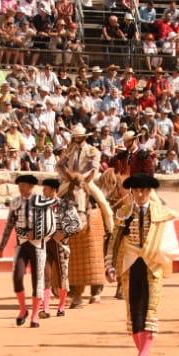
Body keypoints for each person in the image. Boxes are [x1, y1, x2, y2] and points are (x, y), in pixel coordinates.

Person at [106, 172, 177, 356]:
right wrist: (109, 265)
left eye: (144, 189)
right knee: (135, 313)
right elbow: (113, 242)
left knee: (150, 311)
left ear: (150, 191)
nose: (140, 193)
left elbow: (168, 242)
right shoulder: (123, 212)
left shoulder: (161, 213)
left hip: (153, 265)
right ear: (132, 191)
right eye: (136, 190)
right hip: (130, 266)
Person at [59, 125, 112, 308]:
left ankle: (110, 228)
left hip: (87, 183)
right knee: (53, 200)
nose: (76, 140)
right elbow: (59, 165)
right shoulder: (68, 150)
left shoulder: (92, 150)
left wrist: (83, 180)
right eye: (75, 137)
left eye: (79, 137)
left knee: (104, 204)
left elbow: (94, 169)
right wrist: (69, 176)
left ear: (84, 137)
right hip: (70, 182)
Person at [0, 173, 47, 327]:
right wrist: (2, 246)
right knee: (17, 277)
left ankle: (34, 316)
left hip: (38, 245)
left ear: (30, 186)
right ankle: (23, 309)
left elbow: (49, 225)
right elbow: (9, 225)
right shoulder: (15, 202)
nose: (20, 188)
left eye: (23, 185)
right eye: (19, 185)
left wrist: (38, 233)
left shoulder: (41, 202)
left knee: (37, 280)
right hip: (22, 245)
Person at [38, 177, 83, 319]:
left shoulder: (66, 205)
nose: (43, 191)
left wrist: (64, 233)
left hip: (61, 245)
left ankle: (61, 307)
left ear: (53, 190)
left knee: (63, 275)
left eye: (45, 188)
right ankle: (45, 308)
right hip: (45, 243)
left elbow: (78, 225)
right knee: (45, 275)